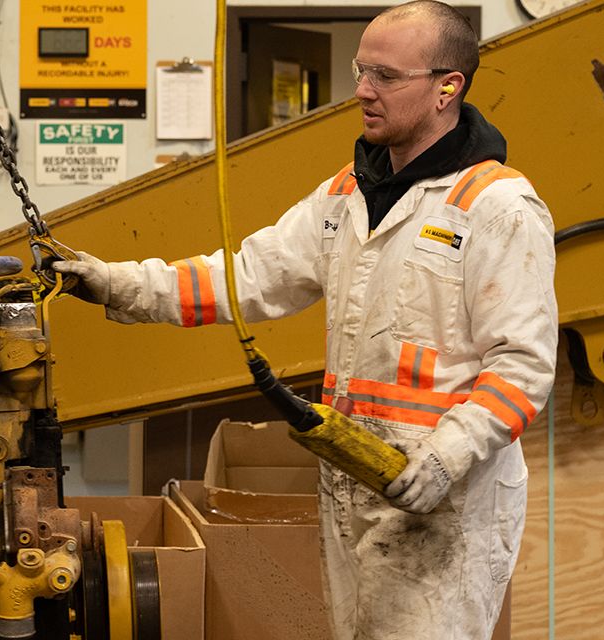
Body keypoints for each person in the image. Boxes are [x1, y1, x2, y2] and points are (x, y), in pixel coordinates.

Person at [53, 2, 557, 638]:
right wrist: (120, 284)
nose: (363, 91)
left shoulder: (497, 208)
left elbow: (523, 365)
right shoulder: (345, 194)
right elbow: (243, 279)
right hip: (350, 482)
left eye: (386, 76)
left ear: (447, 87)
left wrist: (443, 459)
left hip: (443, 502)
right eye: (360, 70)